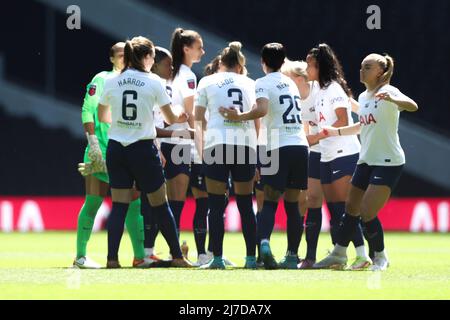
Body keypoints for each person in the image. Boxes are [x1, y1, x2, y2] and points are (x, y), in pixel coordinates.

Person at [220, 43, 325, 269]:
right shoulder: (290, 83)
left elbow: (262, 110)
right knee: (293, 205)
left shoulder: (262, 83)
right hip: (300, 146)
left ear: (262, 62)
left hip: (277, 148)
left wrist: (238, 117)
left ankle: (265, 243)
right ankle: (290, 256)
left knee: (269, 202)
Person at [314, 53, 418, 270]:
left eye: (368, 67)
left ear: (380, 71)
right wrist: (336, 131)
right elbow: (362, 125)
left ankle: (381, 256)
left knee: (367, 211)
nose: (362, 70)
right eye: (362, 66)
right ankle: (339, 254)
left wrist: (394, 100)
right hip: (366, 159)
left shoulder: (387, 91)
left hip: (388, 161)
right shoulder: (363, 97)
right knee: (351, 207)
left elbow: (412, 105)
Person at [96, 36, 193, 268]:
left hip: (117, 148)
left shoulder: (112, 81)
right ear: (148, 57)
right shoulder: (153, 81)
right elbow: (170, 119)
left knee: (119, 205)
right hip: (142, 148)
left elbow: (102, 116)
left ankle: (112, 260)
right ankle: (178, 257)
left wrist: (122, 124)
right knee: (160, 204)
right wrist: (180, 117)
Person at [74, 42, 148, 269]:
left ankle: (139, 257)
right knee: (93, 201)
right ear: (111, 59)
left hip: (128, 151)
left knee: (134, 205)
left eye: (127, 55)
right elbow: (88, 108)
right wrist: (93, 143)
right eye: (119, 55)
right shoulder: (102, 79)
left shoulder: (139, 79)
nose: (123, 59)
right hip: (102, 150)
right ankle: (80, 256)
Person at [305, 43, 370, 269]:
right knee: (334, 209)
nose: (306, 68)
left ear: (320, 66)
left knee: (346, 208)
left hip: (344, 152)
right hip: (327, 153)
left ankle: (363, 254)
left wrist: (316, 137)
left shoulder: (334, 88)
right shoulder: (321, 91)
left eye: (310, 64)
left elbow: (343, 120)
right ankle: (340, 256)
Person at [195, 41, 258, 269]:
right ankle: (251, 258)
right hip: (244, 146)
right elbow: (257, 118)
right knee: (244, 204)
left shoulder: (207, 81)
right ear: (240, 65)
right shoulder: (251, 83)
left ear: (220, 63)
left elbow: (199, 119)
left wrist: (201, 150)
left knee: (215, 204)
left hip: (216, 145)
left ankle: (217, 258)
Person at [159, 28, 207, 249]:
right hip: (180, 142)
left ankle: (160, 249)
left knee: (167, 201)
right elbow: (191, 115)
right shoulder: (187, 75)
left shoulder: (169, 72)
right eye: (199, 48)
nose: (203, 52)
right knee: (177, 203)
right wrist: (202, 147)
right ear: (186, 49)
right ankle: (175, 251)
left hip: (163, 140)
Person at [281, 59, 323, 269]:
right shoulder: (294, 99)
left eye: (286, 77)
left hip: (335, 152)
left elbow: (347, 103)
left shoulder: (320, 90)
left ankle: (362, 251)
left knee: (341, 205)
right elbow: (306, 133)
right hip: (311, 153)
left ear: (298, 79)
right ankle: (304, 255)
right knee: (306, 202)